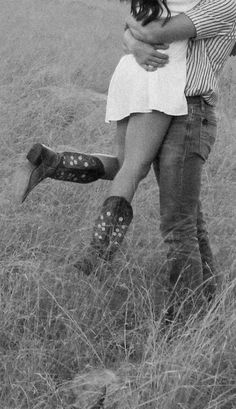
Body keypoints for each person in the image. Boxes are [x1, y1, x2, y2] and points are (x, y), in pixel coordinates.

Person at [19, 0, 236, 315]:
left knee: (176, 209)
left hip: (171, 99)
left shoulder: (220, 6)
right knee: (180, 222)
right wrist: (135, 37)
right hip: (177, 102)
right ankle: (185, 315)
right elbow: (150, 28)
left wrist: (132, 29)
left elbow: (148, 26)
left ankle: (56, 163)